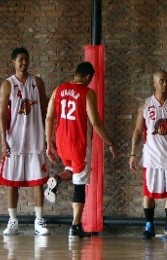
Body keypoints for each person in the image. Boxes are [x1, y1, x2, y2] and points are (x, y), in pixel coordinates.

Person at [45, 61, 117, 239]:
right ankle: (75, 226)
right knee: (79, 184)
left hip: (61, 143)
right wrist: (110, 142)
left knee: (71, 170)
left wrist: (49, 144)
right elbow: (95, 122)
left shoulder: (59, 89)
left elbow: (48, 118)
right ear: (87, 77)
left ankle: (56, 178)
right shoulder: (87, 93)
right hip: (79, 144)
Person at [129, 70, 167, 241]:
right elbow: (137, 130)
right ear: (154, 84)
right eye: (161, 81)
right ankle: (149, 226)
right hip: (151, 157)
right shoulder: (146, 105)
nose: (165, 83)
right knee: (148, 193)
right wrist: (133, 153)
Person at [0, 47, 50, 236]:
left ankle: (39, 221)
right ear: (13, 62)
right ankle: (13, 221)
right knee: (12, 183)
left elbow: (46, 111)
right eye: (20, 59)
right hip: (15, 142)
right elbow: (2, 114)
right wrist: (3, 141)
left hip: (35, 140)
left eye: (26, 59)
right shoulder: (7, 84)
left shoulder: (37, 82)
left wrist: (49, 137)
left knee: (38, 182)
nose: (24, 63)